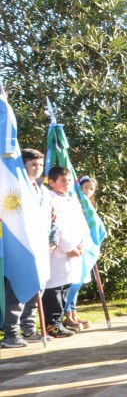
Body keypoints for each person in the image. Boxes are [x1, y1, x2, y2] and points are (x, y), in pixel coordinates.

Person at [1, 148, 53, 347]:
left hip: (39, 248)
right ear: (22, 166)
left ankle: (29, 329)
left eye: (40, 165)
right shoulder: (13, 190)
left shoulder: (43, 190)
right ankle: (11, 333)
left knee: (35, 286)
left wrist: (53, 239)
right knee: (16, 289)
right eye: (33, 164)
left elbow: (51, 218)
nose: (38, 168)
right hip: (18, 247)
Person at [43, 166, 91, 338]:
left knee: (65, 288)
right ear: (52, 182)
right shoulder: (50, 199)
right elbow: (56, 227)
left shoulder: (71, 200)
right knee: (54, 289)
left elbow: (83, 225)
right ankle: (52, 324)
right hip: (58, 252)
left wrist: (83, 244)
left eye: (69, 180)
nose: (67, 183)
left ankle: (59, 321)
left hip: (75, 252)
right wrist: (69, 247)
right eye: (63, 180)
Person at [63, 175, 98, 331]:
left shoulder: (88, 207)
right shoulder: (73, 203)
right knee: (71, 282)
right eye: (85, 188)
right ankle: (67, 314)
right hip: (72, 249)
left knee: (78, 281)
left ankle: (74, 312)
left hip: (84, 248)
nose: (88, 191)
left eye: (91, 189)